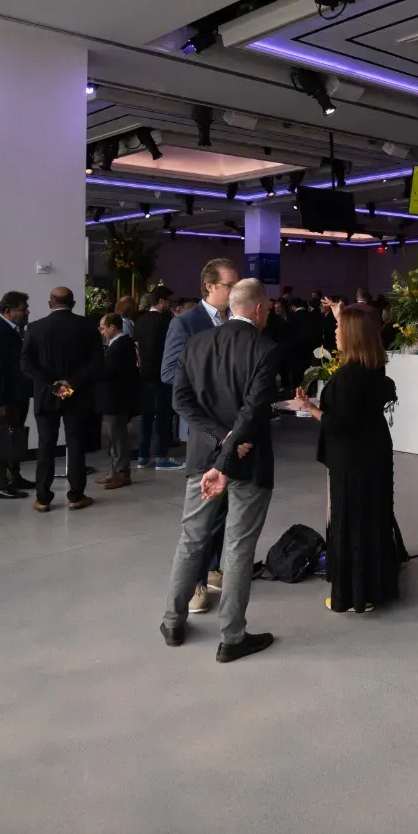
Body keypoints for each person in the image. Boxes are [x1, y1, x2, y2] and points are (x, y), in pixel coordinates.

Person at [162, 278, 284, 661]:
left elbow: (180, 399)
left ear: (232, 307)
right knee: (238, 547)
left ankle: (173, 621)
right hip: (248, 461)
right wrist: (231, 441)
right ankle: (232, 637)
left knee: (192, 539)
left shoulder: (197, 343)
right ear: (260, 309)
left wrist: (217, 436)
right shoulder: (265, 348)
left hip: (202, 458)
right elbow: (253, 410)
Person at [297, 306, 399, 612]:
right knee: (373, 517)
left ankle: (355, 592)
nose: (336, 333)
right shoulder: (374, 367)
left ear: (352, 336)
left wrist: (311, 408)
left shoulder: (348, 376)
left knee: (351, 519)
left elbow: (339, 423)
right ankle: (375, 585)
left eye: (340, 328)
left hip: (352, 458)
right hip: (374, 450)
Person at [163, 260, 239, 610]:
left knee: (222, 508)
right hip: (206, 430)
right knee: (201, 512)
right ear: (210, 286)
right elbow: (169, 373)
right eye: (229, 284)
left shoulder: (234, 321)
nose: (234, 290)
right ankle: (194, 584)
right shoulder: (186, 323)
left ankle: (212, 570)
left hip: (233, 428)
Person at [21, 287, 103, 511]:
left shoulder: (35, 328)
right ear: (73, 303)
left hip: (47, 395)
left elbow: (26, 364)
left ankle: (43, 499)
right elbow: (97, 362)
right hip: (77, 396)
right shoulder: (87, 326)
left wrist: (53, 384)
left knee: (46, 445)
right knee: (76, 444)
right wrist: (72, 384)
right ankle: (76, 496)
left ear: (50, 304)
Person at [0, 290, 33, 500]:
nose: (27, 312)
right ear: (8, 311)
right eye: (23, 309)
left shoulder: (17, 331)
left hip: (18, 394)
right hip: (6, 397)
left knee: (15, 438)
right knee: (2, 441)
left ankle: (15, 477)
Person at [96, 312, 139, 490]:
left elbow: (110, 372)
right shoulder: (118, 344)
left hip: (117, 400)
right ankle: (115, 470)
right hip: (114, 399)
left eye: (103, 327)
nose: (102, 331)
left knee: (118, 436)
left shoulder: (121, 345)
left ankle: (121, 472)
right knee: (114, 437)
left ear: (113, 327)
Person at [133, 286, 174, 469]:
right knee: (163, 416)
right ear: (161, 301)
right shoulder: (165, 321)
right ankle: (161, 456)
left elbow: (137, 348)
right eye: (168, 301)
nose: (169, 305)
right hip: (161, 375)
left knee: (146, 417)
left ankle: (142, 456)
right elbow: (169, 349)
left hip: (144, 374)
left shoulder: (140, 320)